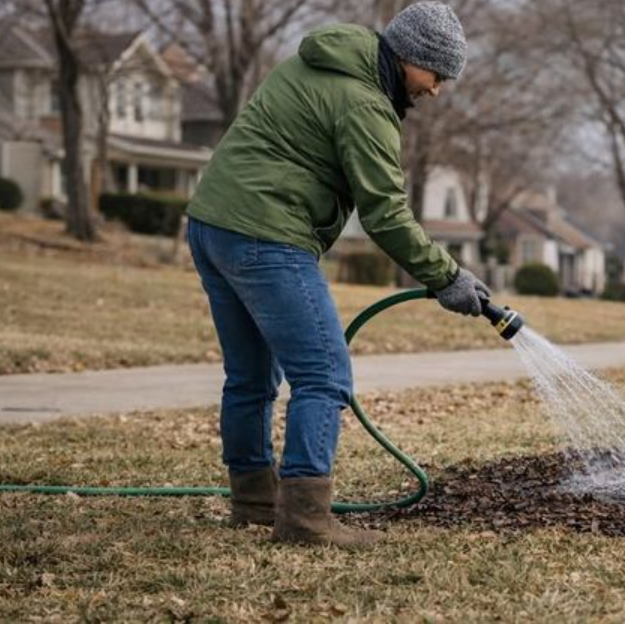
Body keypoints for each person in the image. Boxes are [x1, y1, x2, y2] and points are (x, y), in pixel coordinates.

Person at [184, 2, 490, 549]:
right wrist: (448, 276)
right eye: (436, 74)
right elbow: (386, 213)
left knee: (250, 379)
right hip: (265, 235)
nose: (437, 90)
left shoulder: (314, 62)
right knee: (324, 376)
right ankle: (305, 519)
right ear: (411, 57)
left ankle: (254, 502)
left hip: (212, 225)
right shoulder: (365, 103)